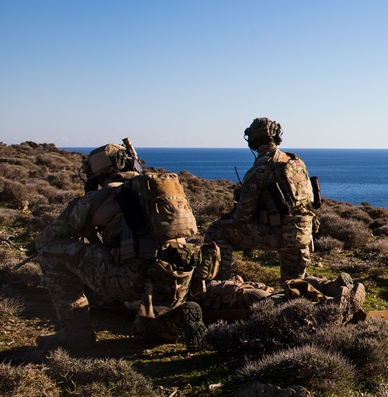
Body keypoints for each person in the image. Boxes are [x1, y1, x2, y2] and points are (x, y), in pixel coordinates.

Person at [34, 143, 213, 352]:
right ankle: (180, 317)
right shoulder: (158, 193)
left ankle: (77, 334)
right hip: (176, 275)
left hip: (132, 278)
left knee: (50, 252)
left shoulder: (97, 199)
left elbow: (46, 239)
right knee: (145, 331)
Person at [204, 117, 318, 282]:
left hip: (278, 233)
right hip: (303, 234)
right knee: (294, 286)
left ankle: (222, 285)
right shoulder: (295, 161)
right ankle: (329, 290)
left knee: (217, 230)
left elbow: (242, 216)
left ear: (253, 140)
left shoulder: (261, 168)